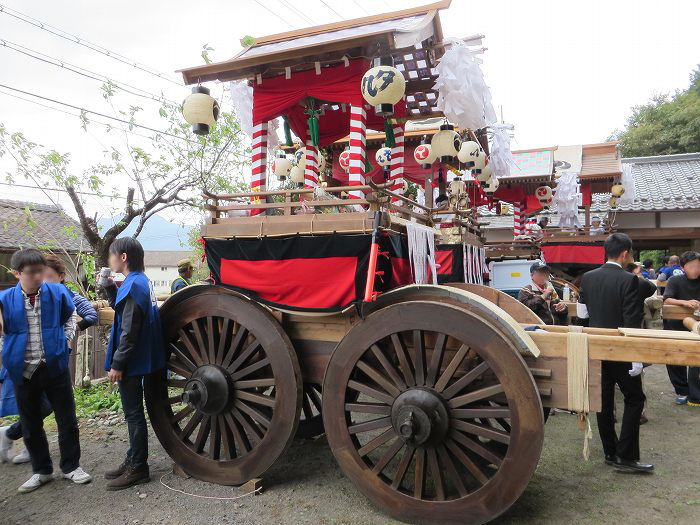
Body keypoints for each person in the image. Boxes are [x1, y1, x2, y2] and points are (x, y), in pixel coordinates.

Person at [0, 249, 91, 492]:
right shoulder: (5, 299)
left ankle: (72, 467)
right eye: (31, 273)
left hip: (54, 365)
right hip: (23, 368)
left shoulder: (57, 292)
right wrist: (5, 353)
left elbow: (70, 316)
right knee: (30, 424)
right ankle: (42, 471)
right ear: (17, 273)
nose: (38, 277)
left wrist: (65, 341)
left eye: (41, 271)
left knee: (67, 420)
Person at [577, 233, 653, 473]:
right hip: (621, 350)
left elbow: (582, 315)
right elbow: (631, 323)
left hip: (596, 348)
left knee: (604, 401)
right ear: (625, 254)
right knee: (635, 399)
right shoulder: (630, 280)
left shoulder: (587, 278)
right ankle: (626, 456)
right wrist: (636, 357)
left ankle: (610, 452)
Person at [98, 237, 165, 490]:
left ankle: (138, 467)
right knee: (135, 413)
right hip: (144, 355)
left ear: (123, 257)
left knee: (134, 414)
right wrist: (109, 288)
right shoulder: (140, 281)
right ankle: (132, 459)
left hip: (133, 360)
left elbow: (129, 330)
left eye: (112, 255)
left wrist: (118, 363)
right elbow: (124, 310)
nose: (109, 260)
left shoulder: (132, 285)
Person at [662, 251, 700, 406]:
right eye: (691, 266)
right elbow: (667, 299)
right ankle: (682, 390)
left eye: (698, 265)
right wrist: (684, 302)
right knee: (674, 359)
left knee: (696, 359)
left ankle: (695, 392)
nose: (696, 269)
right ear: (683, 267)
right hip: (675, 325)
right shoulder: (675, 280)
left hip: (697, 326)